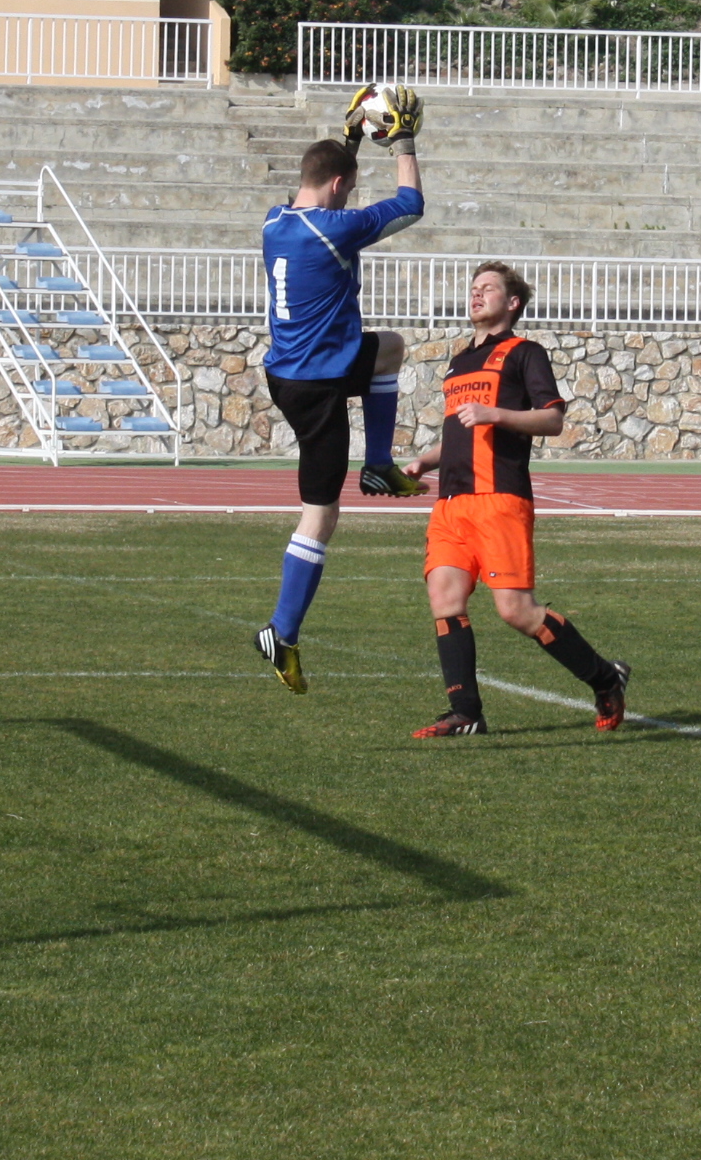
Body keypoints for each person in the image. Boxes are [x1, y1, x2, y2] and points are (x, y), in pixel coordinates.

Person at [400, 262, 630, 740]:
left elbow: (552, 420)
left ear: (512, 302)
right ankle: (466, 712)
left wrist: (496, 413)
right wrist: (424, 461)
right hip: (451, 503)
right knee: (444, 598)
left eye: (487, 288)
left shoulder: (526, 353)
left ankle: (605, 678)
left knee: (516, 611)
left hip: (499, 499)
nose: (476, 294)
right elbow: (461, 433)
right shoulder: (459, 361)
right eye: (473, 288)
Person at [254, 104, 426, 694]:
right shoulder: (336, 229)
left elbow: (326, 182)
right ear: (336, 186)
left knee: (387, 348)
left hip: (290, 373)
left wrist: (350, 140)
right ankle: (282, 631)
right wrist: (402, 143)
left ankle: (378, 465)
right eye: (348, 189)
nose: (349, 199)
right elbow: (411, 205)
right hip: (318, 382)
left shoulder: (275, 220)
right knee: (321, 515)